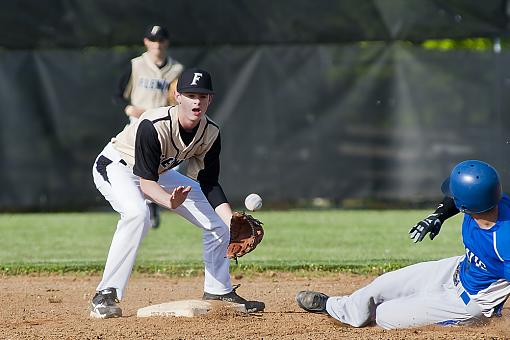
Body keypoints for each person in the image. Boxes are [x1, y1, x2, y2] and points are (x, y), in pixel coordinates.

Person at [91, 68, 265, 318]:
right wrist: (168, 201)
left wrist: (231, 221)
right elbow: (146, 184)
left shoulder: (211, 132)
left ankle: (218, 290)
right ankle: (105, 294)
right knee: (138, 215)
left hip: (158, 173)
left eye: (202, 96)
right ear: (177, 96)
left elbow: (209, 183)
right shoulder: (154, 125)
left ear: (210, 100)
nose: (196, 101)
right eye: (190, 95)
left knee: (218, 224)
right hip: (118, 166)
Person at [296, 160, 510, 329]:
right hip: (457, 268)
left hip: (468, 303)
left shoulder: (503, 244)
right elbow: (459, 199)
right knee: (381, 286)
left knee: (384, 316)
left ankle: (465, 321)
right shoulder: (495, 201)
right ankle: (335, 307)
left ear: (466, 204)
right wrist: (437, 216)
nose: (450, 198)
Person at [113, 24, 184, 229]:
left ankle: (152, 204)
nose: (157, 44)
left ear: (166, 42)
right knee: (136, 165)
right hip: (139, 122)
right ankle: (142, 206)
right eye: (153, 40)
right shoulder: (136, 65)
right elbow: (117, 95)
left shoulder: (177, 69)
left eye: (161, 40)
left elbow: (180, 97)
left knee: (166, 168)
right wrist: (129, 108)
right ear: (146, 42)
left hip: (164, 124)